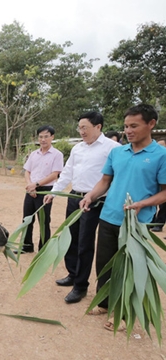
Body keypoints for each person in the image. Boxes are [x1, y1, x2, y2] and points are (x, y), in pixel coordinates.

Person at [80, 104, 166, 330]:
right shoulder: (117, 152)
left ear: (151, 124)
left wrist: (143, 204)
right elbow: (105, 181)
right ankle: (105, 302)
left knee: (130, 268)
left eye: (134, 126)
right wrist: (90, 195)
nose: (128, 130)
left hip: (137, 224)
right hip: (109, 216)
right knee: (105, 265)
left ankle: (124, 313)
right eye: (126, 126)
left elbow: (165, 191)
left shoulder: (161, 155)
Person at [44, 111, 120, 304]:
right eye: (80, 128)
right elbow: (67, 173)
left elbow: (115, 178)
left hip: (95, 201)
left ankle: (81, 286)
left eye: (84, 127)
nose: (81, 131)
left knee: (85, 242)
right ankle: (73, 273)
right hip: (73, 197)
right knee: (71, 238)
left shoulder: (113, 148)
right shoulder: (78, 148)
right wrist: (54, 192)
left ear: (98, 127)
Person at [17, 125, 64, 253]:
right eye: (40, 137)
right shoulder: (34, 154)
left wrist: (36, 185)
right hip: (30, 190)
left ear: (52, 137)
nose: (43, 140)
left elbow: (55, 174)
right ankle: (26, 246)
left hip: (45, 191)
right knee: (27, 218)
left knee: (44, 220)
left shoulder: (57, 155)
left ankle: (44, 249)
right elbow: (27, 171)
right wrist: (30, 185)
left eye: (46, 137)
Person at [150, 138, 166, 232]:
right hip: (157, 182)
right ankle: (152, 221)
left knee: (164, 206)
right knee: (153, 201)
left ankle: (159, 224)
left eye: (161, 146)